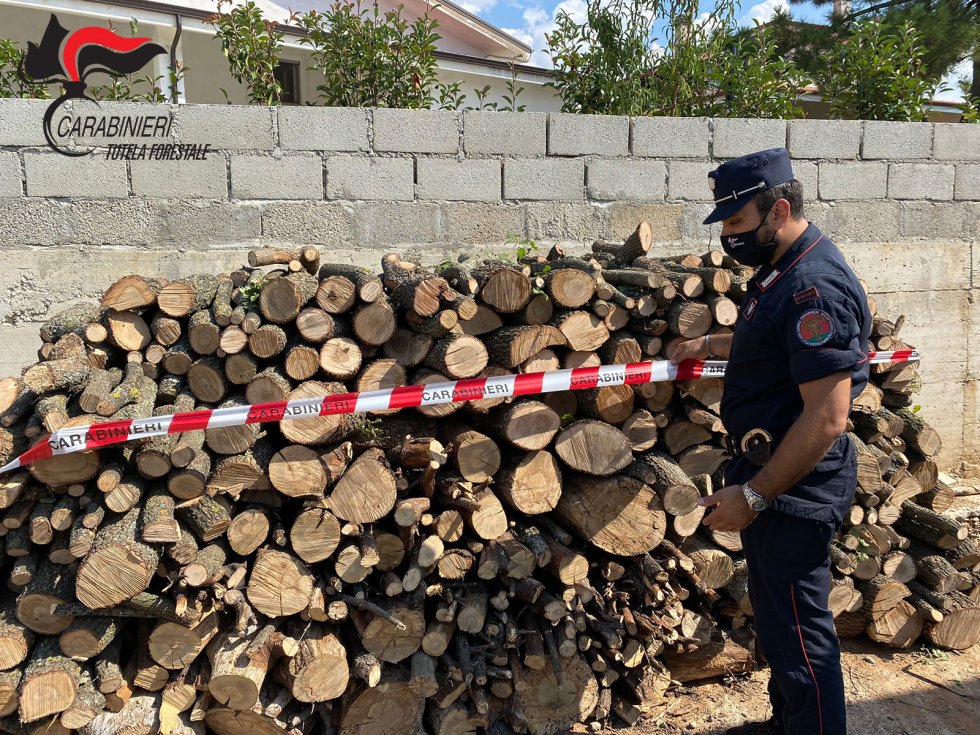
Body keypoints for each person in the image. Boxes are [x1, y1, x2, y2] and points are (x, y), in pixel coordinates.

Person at [668, 147, 871, 735]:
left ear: (778, 210)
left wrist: (755, 496)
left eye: (736, 223)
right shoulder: (785, 268)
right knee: (781, 623)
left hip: (793, 484)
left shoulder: (814, 287)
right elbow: (770, 336)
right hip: (774, 476)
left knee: (803, 634)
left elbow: (828, 416)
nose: (729, 236)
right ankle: (790, 723)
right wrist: (712, 344)